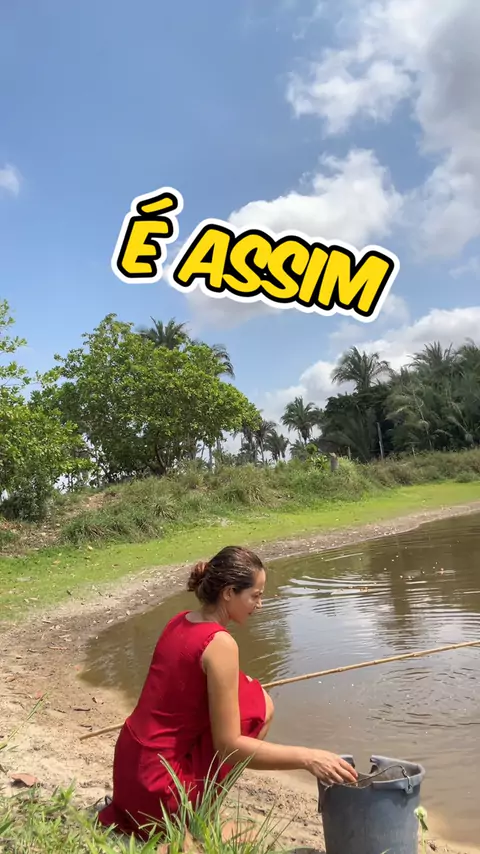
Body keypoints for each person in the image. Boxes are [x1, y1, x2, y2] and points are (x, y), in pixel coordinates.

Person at [98, 545, 357, 840]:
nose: (259, 604)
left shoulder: (179, 620)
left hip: (130, 774)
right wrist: (309, 758)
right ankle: (199, 817)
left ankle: (197, 808)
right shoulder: (220, 643)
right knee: (260, 708)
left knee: (252, 695)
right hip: (158, 790)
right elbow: (229, 747)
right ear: (229, 592)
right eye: (255, 596)